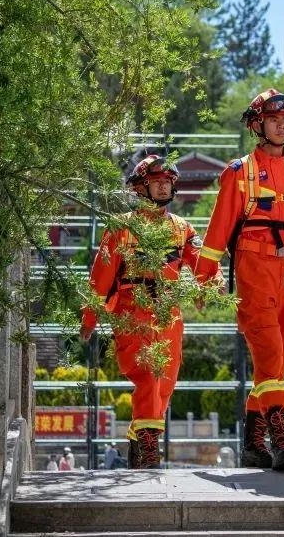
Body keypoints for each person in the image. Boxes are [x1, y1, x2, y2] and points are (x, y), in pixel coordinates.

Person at [197, 89, 284, 471]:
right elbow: (218, 229)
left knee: (276, 365)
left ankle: (252, 444)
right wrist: (203, 277)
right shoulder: (239, 172)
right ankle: (280, 436)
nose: (281, 126)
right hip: (254, 270)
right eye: (273, 120)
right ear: (257, 126)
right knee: (269, 353)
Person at [81, 155, 201, 469]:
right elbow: (101, 276)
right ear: (139, 187)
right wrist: (90, 317)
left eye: (167, 182)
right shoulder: (121, 228)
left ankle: (139, 436)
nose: (163, 187)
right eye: (156, 181)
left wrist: (208, 286)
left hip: (169, 313)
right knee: (148, 376)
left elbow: (202, 263)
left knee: (165, 383)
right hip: (132, 313)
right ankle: (148, 448)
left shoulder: (183, 229)